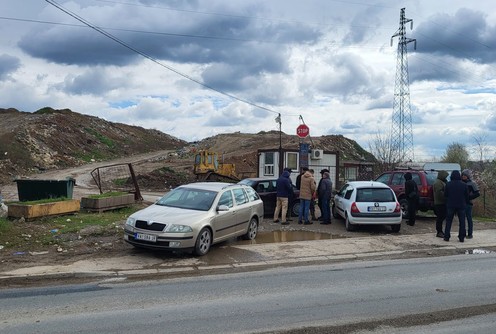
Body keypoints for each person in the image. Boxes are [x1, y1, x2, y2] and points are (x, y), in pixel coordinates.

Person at [444, 170, 469, 242]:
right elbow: (467, 196)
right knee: (462, 222)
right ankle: (461, 237)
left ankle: (446, 236)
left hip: (451, 204)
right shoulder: (464, 185)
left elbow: (445, 195)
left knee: (448, 221)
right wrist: (466, 202)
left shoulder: (448, 184)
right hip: (461, 205)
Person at [461, 169, 480, 239]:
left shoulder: (472, 183)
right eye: (462, 175)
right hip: (461, 203)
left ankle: (470, 234)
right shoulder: (460, 182)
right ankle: (462, 233)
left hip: (468, 203)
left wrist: (469, 197)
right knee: (462, 219)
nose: (463, 176)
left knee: (469, 219)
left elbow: (477, 193)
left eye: (465, 175)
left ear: (468, 176)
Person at [433, 170, 448, 238]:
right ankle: (439, 231)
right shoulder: (438, 183)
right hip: (439, 202)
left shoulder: (442, 182)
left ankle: (440, 231)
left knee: (442, 217)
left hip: (442, 202)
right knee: (440, 218)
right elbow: (439, 193)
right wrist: (446, 197)